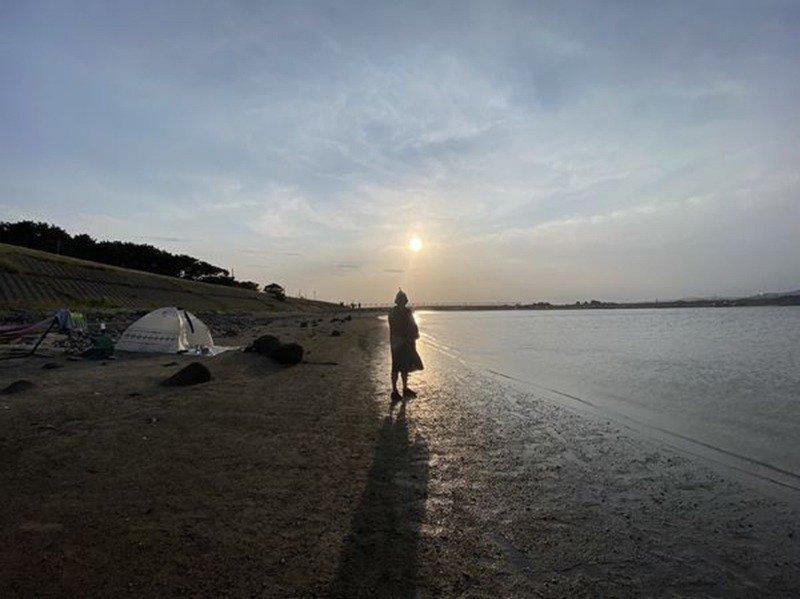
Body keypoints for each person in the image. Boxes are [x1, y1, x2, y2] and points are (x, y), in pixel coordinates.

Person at [388, 289, 424, 400]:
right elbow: (406, 326)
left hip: (401, 342)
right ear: (398, 301)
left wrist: (414, 335)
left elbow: (413, 325)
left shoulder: (399, 312)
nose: (402, 302)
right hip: (398, 343)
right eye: (401, 300)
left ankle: (404, 388)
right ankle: (394, 390)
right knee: (396, 367)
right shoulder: (395, 313)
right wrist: (411, 335)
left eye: (403, 300)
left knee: (404, 367)